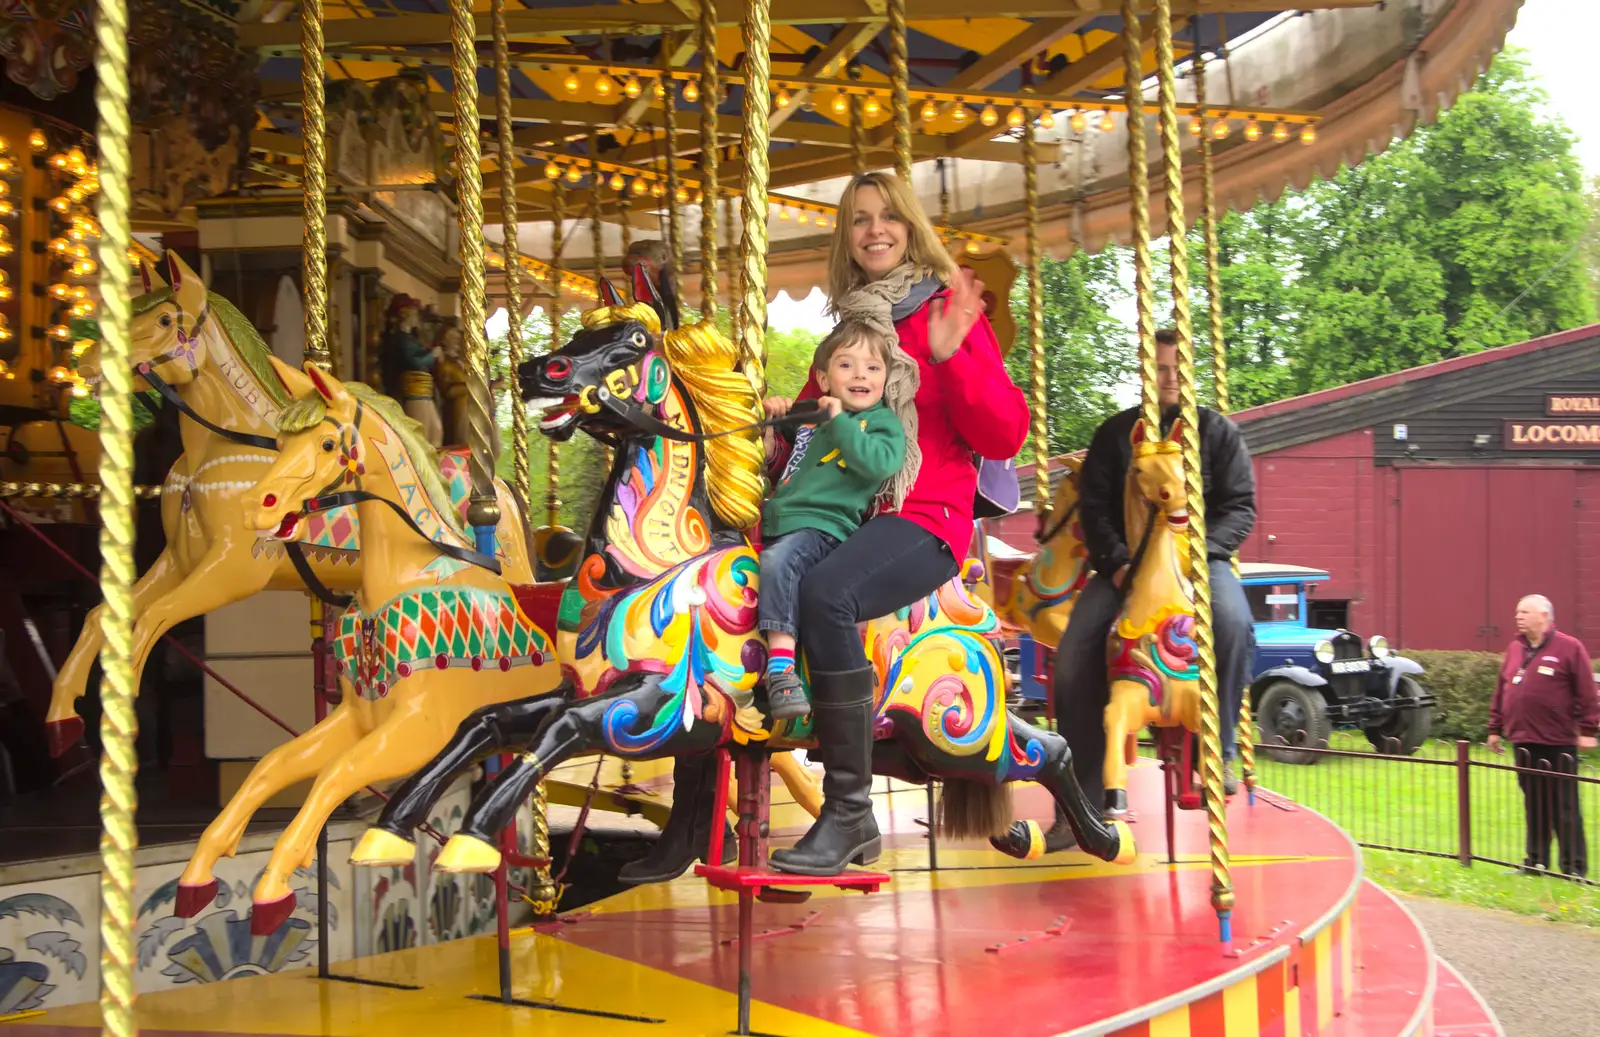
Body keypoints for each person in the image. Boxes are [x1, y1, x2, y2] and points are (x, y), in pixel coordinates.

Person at [617, 171, 1024, 884]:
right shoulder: (847, 333)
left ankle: (849, 811)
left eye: (888, 217)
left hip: (922, 519)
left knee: (828, 592)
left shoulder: (942, 313)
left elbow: (1004, 430)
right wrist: (776, 430)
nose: (875, 230)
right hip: (842, 520)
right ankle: (707, 793)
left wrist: (951, 350)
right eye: (860, 218)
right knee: (722, 590)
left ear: (909, 227)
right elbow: (807, 449)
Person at [1052, 330, 1257, 827]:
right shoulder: (1114, 435)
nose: (1169, 378)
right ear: (1146, 372)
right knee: (1075, 653)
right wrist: (1119, 562)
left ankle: (1218, 747)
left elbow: (1240, 506)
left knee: (1232, 622)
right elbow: (1096, 508)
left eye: (1177, 368)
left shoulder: (1218, 434)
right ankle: (1080, 788)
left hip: (1199, 562)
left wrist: (1198, 553)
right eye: (1160, 369)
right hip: (1127, 567)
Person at [759, 322, 909, 721]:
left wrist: (838, 419)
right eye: (847, 365)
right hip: (779, 520)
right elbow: (782, 472)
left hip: (824, 530)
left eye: (873, 368)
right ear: (824, 379)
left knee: (778, 564)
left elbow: (879, 463)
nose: (861, 374)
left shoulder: (880, 424)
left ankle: (781, 671)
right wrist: (773, 433)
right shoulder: (810, 422)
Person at [1488, 594, 1598, 877]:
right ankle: (1535, 861)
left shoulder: (1569, 648)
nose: (1518, 617)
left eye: (1524, 612)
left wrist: (1588, 730)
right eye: (1517, 611)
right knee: (1533, 804)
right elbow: (1502, 690)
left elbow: (1587, 692)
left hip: (1557, 742)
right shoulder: (1515, 648)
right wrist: (1495, 729)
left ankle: (1573, 868)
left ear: (1544, 616)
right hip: (1524, 741)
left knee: (1565, 805)